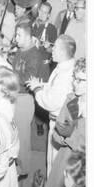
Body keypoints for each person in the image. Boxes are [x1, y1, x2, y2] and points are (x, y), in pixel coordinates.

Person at [26, 34, 76, 176]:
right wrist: (40, 84)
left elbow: (51, 102)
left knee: (55, 166)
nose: (52, 50)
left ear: (62, 52)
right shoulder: (65, 66)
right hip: (60, 122)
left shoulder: (65, 74)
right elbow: (53, 87)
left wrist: (36, 90)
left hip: (60, 125)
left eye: (55, 48)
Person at [44, 58, 86, 187]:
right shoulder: (71, 100)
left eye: (81, 80)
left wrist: (70, 134)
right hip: (65, 154)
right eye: (75, 78)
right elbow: (56, 135)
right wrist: (66, 135)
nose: (76, 83)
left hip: (83, 160)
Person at [8, 22, 50, 92]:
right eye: (16, 35)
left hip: (23, 94)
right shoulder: (20, 49)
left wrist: (8, 75)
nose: (16, 38)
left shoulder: (35, 56)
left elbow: (26, 80)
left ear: (27, 37)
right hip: (14, 87)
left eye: (19, 35)